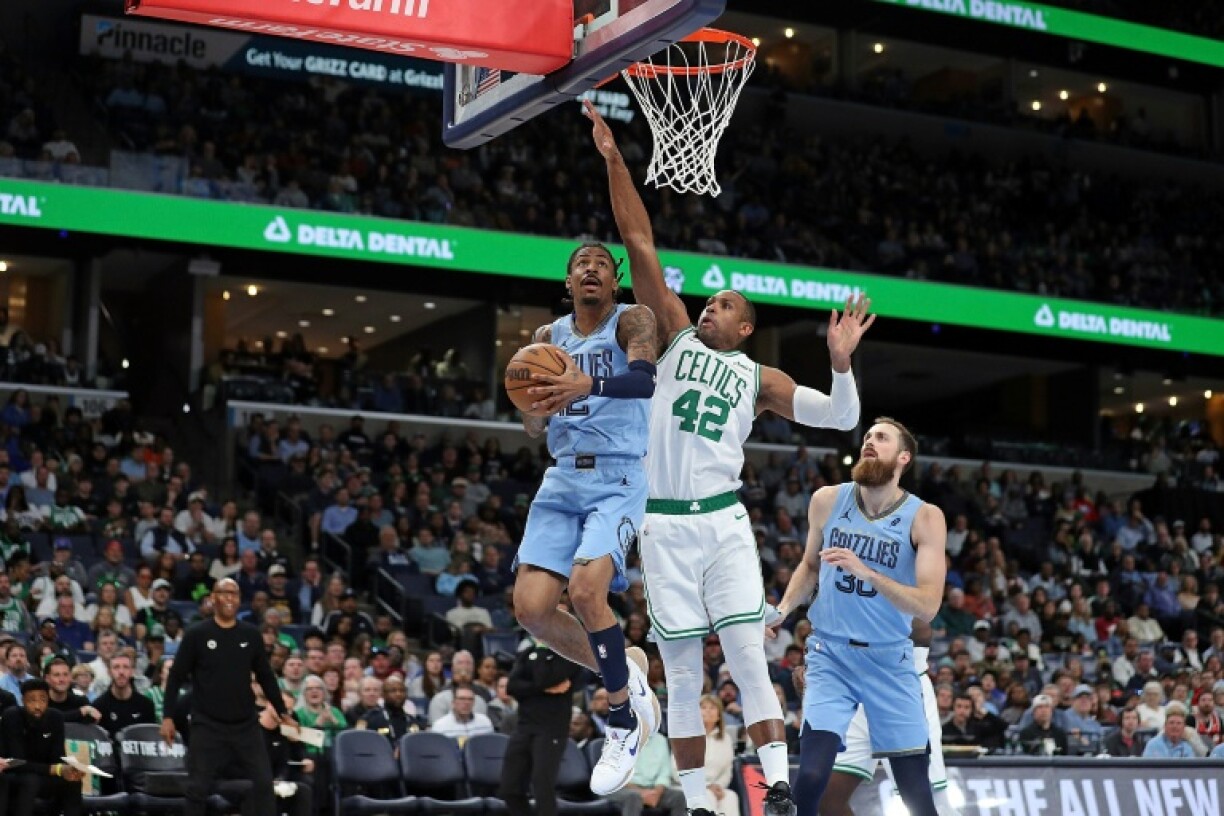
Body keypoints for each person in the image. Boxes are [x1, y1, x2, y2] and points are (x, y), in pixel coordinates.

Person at [587, 99, 874, 816]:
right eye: (706, 302)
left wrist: (841, 364)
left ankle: (778, 786)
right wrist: (617, 162)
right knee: (681, 676)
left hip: (721, 522)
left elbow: (842, 419)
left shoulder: (761, 379)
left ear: (745, 327)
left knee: (748, 656)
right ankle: (696, 805)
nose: (707, 308)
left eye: (722, 305)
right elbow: (639, 241)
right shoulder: (676, 337)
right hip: (662, 526)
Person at [510, 199, 661, 793]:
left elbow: (644, 379)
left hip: (619, 476)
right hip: (562, 477)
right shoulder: (547, 337)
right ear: (568, 280)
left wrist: (585, 382)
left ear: (614, 278)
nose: (592, 269)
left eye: (602, 262)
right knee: (531, 609)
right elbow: (531, 427)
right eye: (582, 264)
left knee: (587, 588)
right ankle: (629, 671)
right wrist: (534, 402)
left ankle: (622, 720)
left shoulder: (633, 320)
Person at [771, 418, 945, 816]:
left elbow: (928, 606)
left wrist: (867, 571)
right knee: (812, 777)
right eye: (867, 436)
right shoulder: (827, 500)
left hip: (890, 660)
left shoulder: (925, 517)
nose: (869, 441)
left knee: (916, 792)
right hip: (830, 655)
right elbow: (809, 568)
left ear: (903, 457)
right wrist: (782, 611)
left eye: (881, 438)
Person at [160, 578, 295, 816]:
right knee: (197, 788)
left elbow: (265, 675)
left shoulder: (251, 634)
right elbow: (176, 677)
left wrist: (282, 711)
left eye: (234, 593)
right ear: (213, 598)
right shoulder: (197, 634)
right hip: (207, 724)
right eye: (224, 592)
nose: (229, 598)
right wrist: (168, 716)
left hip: (245, 725)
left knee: (264, 784)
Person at [814, 621, 949, 815]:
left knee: (932, 803)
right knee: (827, 797)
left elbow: (923, 629)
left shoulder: (897, 591)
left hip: (901, 688)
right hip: (854, 688)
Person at [498, 628, 584, 816]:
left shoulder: (570, 657)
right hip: (524, 726)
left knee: (542, 786)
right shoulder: (527, 652)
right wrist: (542, 687)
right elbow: (512, 687)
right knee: (509, 788)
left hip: (552, 729)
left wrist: (542, 651)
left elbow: (542, 676)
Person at [0, 678, 84, 816]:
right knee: (30, 781)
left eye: (42, 699)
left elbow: (58, 757)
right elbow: (17, 761)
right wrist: (56, 769)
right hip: (16, 775)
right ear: (23, 700)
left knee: (72, 781)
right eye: (32, 700)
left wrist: (70, 770)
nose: (38, 706)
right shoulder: (12, 716)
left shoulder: (55, 717)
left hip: (44, 775)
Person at [93, 652, 156, 737]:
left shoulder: (146, 705)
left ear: (132, 671)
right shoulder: (99, 706)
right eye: (116, 667)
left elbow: (150, 738)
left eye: (125, 667)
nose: (121, 672)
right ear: (109, 672)